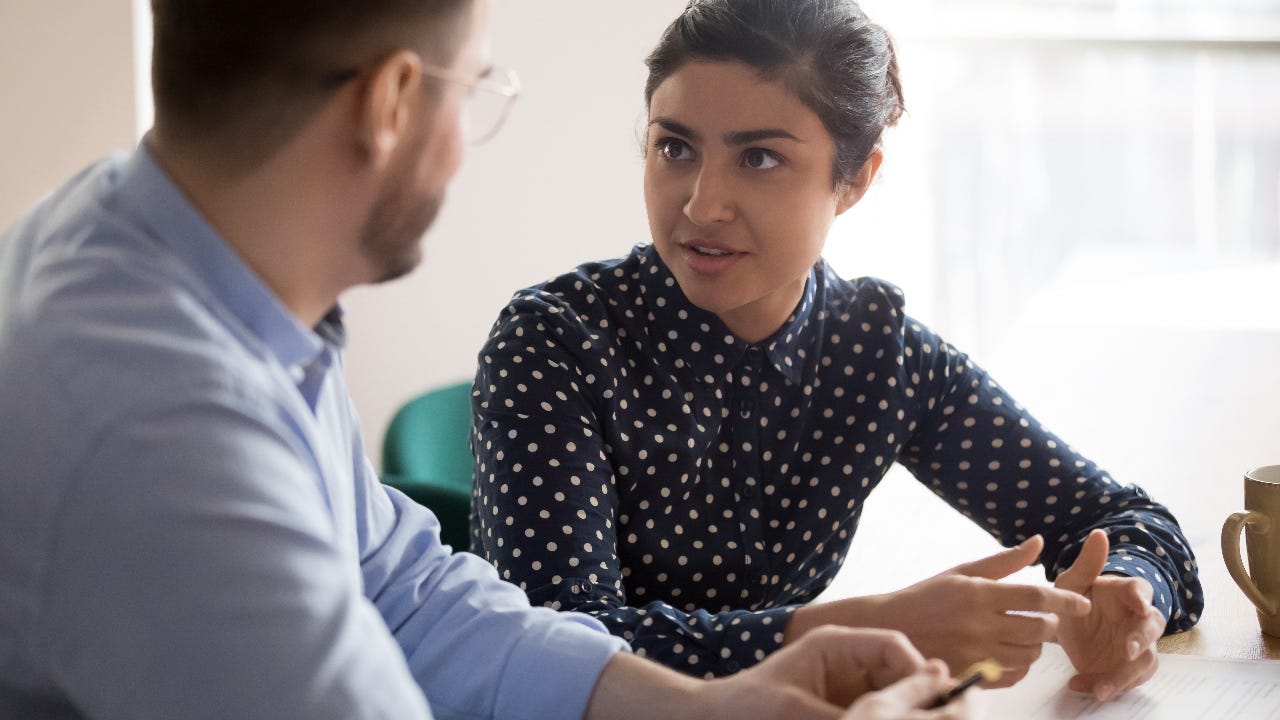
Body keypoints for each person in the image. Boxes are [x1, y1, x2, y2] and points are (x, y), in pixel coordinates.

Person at [0, 1, 983, 719]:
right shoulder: (163, 437)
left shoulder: (166, 254)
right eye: (474, 88)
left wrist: (702, 706)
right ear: (390, 101)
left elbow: (402, 588)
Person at [470, 0, 1203, 702]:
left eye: (758, 158)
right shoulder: (554, 343)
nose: (700, 204)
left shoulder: (877, 356)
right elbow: (557, 651)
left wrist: (1132, 600)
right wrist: (865, 628)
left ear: (855, 179)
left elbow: (1127, 521)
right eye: (675, 146)